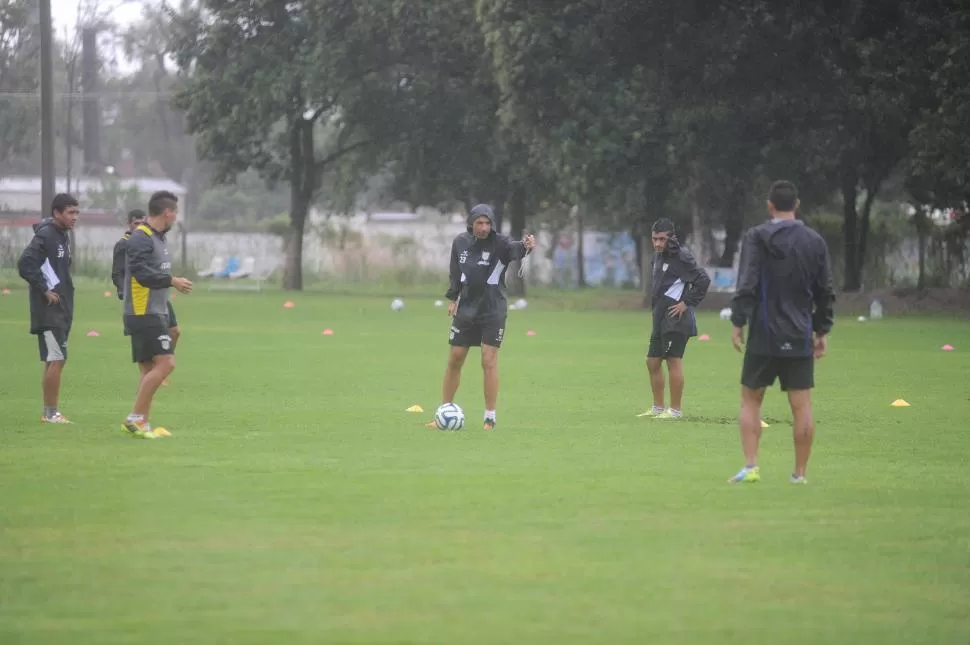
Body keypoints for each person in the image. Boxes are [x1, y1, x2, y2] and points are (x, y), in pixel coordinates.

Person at [728, 180, 835, 484]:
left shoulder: (757, 237)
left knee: (751, 401)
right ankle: (799, 475)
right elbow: (824, 291)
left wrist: (738, 321)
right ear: (797, 205)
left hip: (763, 333)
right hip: (799, 333)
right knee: (801, 406)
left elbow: (746, 282)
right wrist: (821, 330)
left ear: (770, 206)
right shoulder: (814, 241)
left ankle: (751, 467)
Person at [426, 204, 536, 430]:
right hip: (466, 308)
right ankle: (445, 412)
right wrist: (453, 298)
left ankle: (490, 418)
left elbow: (518, 249)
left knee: (488, 360)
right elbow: (456, 274)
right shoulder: (460, 243)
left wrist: (527, 246)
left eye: (488, 223)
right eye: (480, 223)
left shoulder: (501, 244)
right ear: (471, 223)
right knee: (455, 357)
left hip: (492, 310)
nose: (484, 228)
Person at [121, 191, 193, 439]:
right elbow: (141, 274)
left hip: (156, 309)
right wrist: (172, 280)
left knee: (149, 369)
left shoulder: (159, 237)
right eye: (175, 212)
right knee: (166, 363)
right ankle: (135, 418)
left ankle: (143, 424)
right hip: (143, 312)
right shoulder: (141, 238)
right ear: (168, 213)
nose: (176, 217)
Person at [638, 218, 711, 420]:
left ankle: (675, 411)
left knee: (673, 361)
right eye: (655, 239)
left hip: (676, 319)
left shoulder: (682, 257)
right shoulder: (658, 256)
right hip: (659, 318)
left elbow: (703, 281)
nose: (658, 243)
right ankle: (658, 408)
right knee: (652, 361)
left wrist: (686, 303)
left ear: (672, 237)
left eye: (662, 239)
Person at [17, 194, 80, 424]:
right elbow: (25, 263)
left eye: (76, 212)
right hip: (49, 309)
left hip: (62, 307)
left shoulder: (62, 236)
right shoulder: (46, 235)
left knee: (55, 359)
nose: (75, 217)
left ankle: (50, 411)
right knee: (57, 358)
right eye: (70, 212)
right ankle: (51, 413)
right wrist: (44, 289)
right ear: (56, 213)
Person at [112, 208, 180, 386]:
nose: (140, 226)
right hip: (139, 301)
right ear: (129, 224)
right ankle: (154, 374)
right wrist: (122, 291)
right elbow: (118, 273)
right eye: (136, 223)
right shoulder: (124, 244)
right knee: (146, 362)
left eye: (142, 222)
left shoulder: (154, 239)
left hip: (158, 295)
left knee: (175, 331)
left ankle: (159, 367)